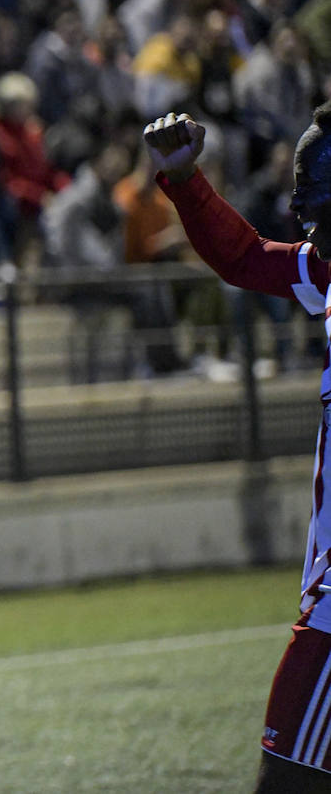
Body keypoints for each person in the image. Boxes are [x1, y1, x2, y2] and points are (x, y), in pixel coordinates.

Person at [143, 102, 331, 790]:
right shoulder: (327, 275)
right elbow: (246, 258)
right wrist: (185, 180)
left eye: (314, 188)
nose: (299, 208)